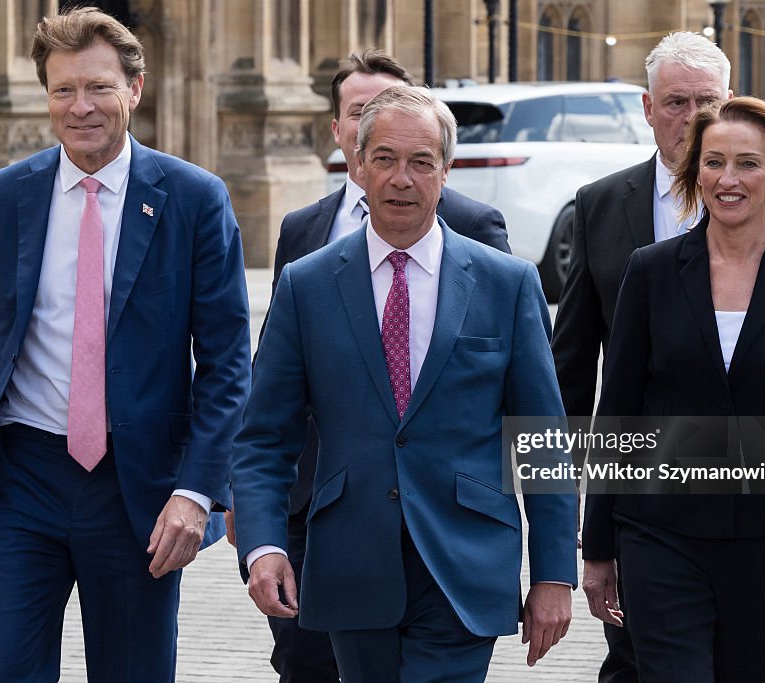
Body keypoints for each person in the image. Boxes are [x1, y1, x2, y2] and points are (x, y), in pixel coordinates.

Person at [0, 8, 251, 681]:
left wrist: (197, 492)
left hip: (139, 493)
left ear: (135, 89)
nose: (81, 107)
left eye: (99, 87)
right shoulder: (5, 196)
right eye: (63, 90)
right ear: (45, 95)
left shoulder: (195, 199)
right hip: (24, 482)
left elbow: (226, 367)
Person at [229, 85, 577, 683]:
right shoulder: (305, 286)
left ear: (446, 170)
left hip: (465, 562)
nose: (401, 179)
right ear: (358, 165)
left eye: (421, 162)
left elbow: (542, 440)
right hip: (350, 560)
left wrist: (553, 574)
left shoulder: (506, 284)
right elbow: (264, 437)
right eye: (385, 159)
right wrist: (261, 546)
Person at [552, 31, 765, 683]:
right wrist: (567, 514)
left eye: (707, 101)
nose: (692, 117)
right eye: (676, 101)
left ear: (731, 102)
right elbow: (574, 376)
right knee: (642, 660)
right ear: (647, 107)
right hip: (650, 503)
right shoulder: (601, 205)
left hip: (762, 501)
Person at [581, 96, 765, 682]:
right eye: (713, 162)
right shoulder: (652, 271)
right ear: (695, 172)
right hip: (660, 532)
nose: (728, 178)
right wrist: (597, 548)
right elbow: (617, 412)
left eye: (747, 163)